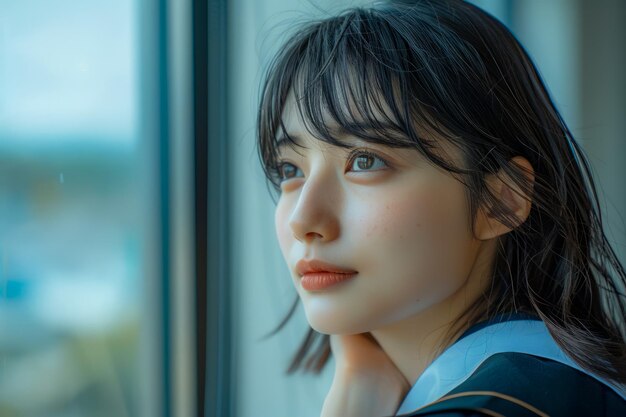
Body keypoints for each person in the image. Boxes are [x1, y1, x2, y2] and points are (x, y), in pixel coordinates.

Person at [255, 0, 626, 416]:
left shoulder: (499, 403)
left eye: (365, 161)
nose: (304, 220)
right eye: (290, 169)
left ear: (501, 199)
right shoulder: (565, 386)